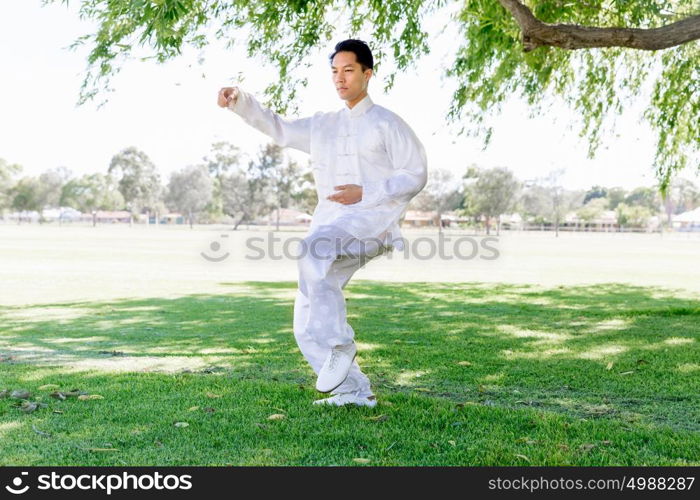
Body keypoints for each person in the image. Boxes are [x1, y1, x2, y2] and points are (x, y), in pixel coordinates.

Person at [217, 39, 428, 407]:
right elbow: (278, 127)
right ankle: (354, 392)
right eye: (335, 71)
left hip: (370, 225)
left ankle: (341, 344)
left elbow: (417, 174)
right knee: (304, 319)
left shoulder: (387, 123)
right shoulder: (322, 126)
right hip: (330, 228)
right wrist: (240, 101)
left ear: (367, 73)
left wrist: (368, 191)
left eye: (348, 70)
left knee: (313, 251)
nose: (340, 78)